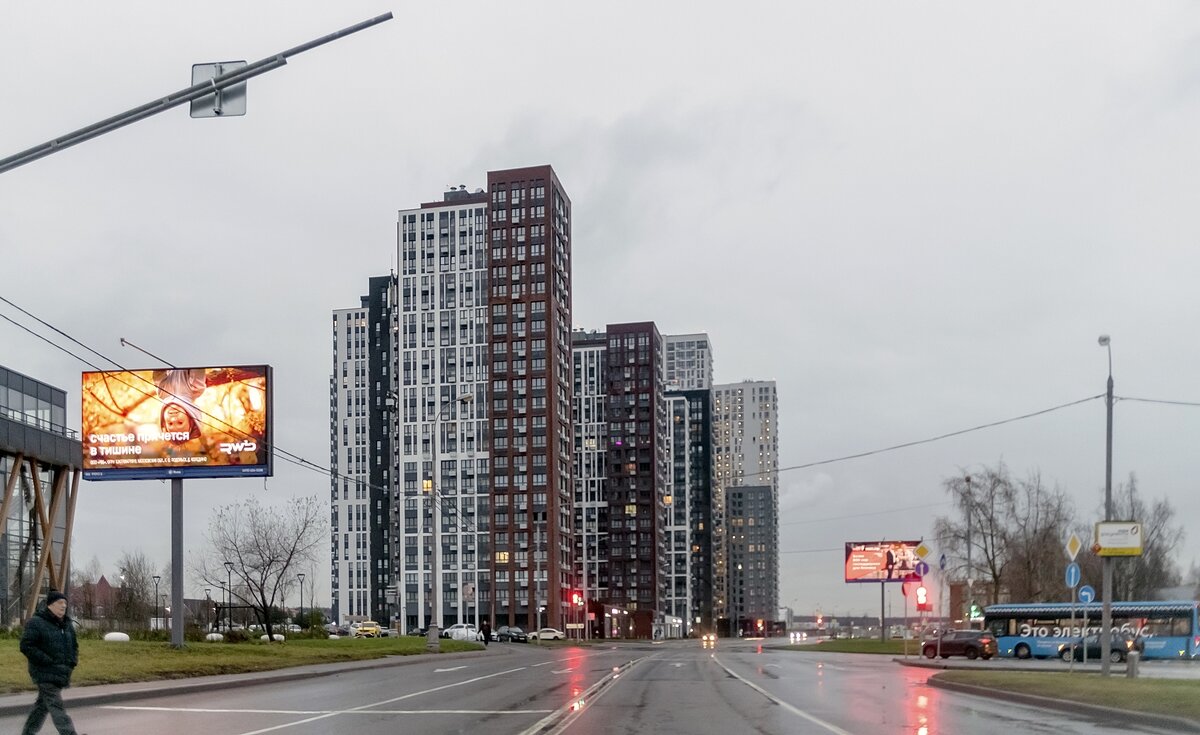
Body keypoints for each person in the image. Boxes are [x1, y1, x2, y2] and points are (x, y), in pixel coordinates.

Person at [20, 590, 82, 735]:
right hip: (44, 672)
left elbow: (74, 645)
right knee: (56, 706)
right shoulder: (36, 622)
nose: (63, 606)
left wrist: (72, 662)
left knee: (41, 707)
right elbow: (26, 646)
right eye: (60, 603)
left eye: (65, 603)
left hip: (60, 672)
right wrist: (46, 661)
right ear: (50, 605)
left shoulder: (66, 624)